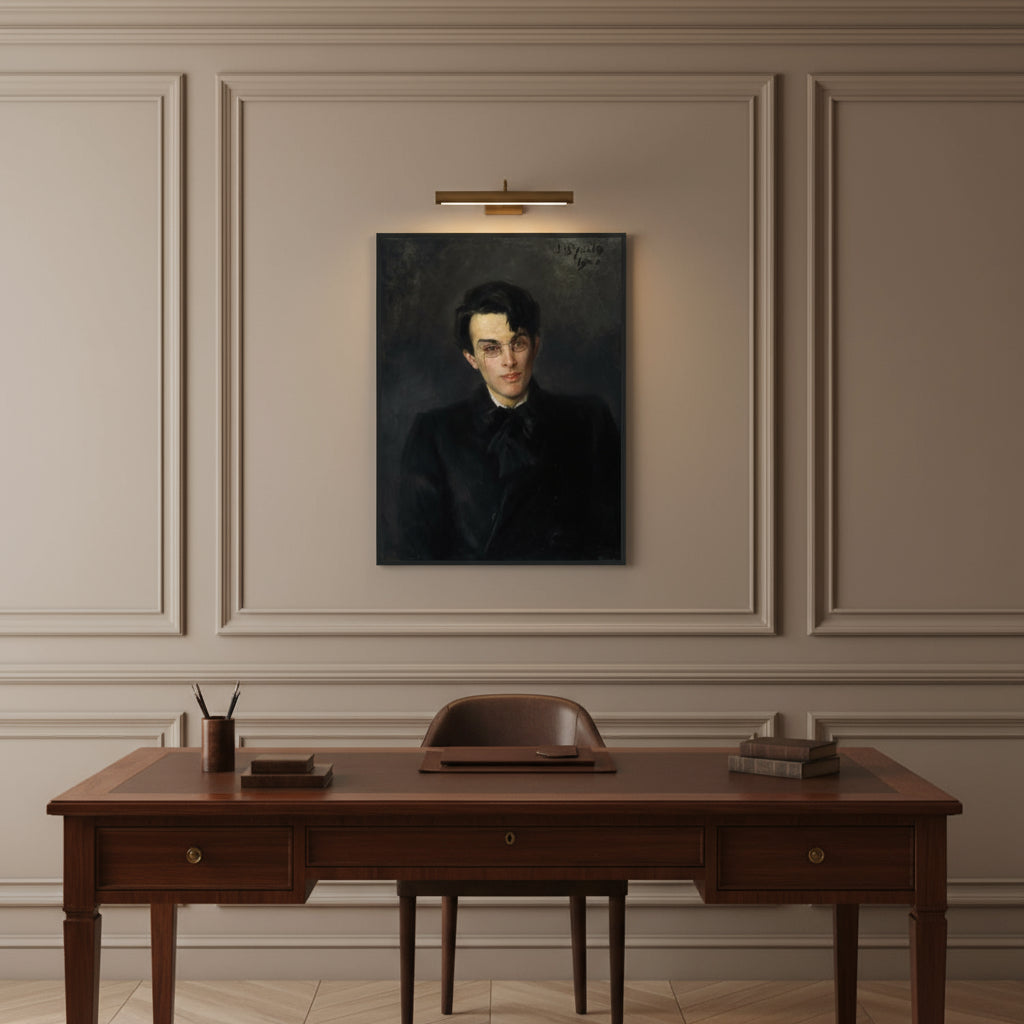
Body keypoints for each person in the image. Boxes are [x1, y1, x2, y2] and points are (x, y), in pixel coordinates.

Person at [394, 280, 621, 562]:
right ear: (471, 358)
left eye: (518, 343)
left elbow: (611, 543)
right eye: (491, 348)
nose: (509, 360)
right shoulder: (434, 434)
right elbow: (415, 553)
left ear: (535, 346)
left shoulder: (589, 421)